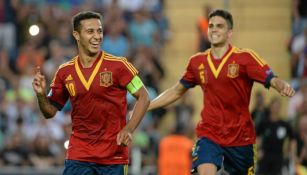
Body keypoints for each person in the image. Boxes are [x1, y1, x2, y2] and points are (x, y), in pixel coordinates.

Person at [147, 9, 296, 175]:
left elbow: (270, 77)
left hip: (241, 137)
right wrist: (147, 105)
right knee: (205, 171)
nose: (214, 29)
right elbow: (176, 91)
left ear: (229, 33)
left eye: (220, 26)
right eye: (211, 26)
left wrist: (280, 85)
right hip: (210, 134)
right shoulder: (197, 62)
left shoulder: (245, 58)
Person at [32, 11, 150, 175]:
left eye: (99, 31)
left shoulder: (119, 66)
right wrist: (40, 95)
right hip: (79, 155)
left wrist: (129, 128)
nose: (97, 36)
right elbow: (49, 112)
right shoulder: (65, 72)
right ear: (76, 35)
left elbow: (144, 97)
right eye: (90, 31)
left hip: (113, 156)